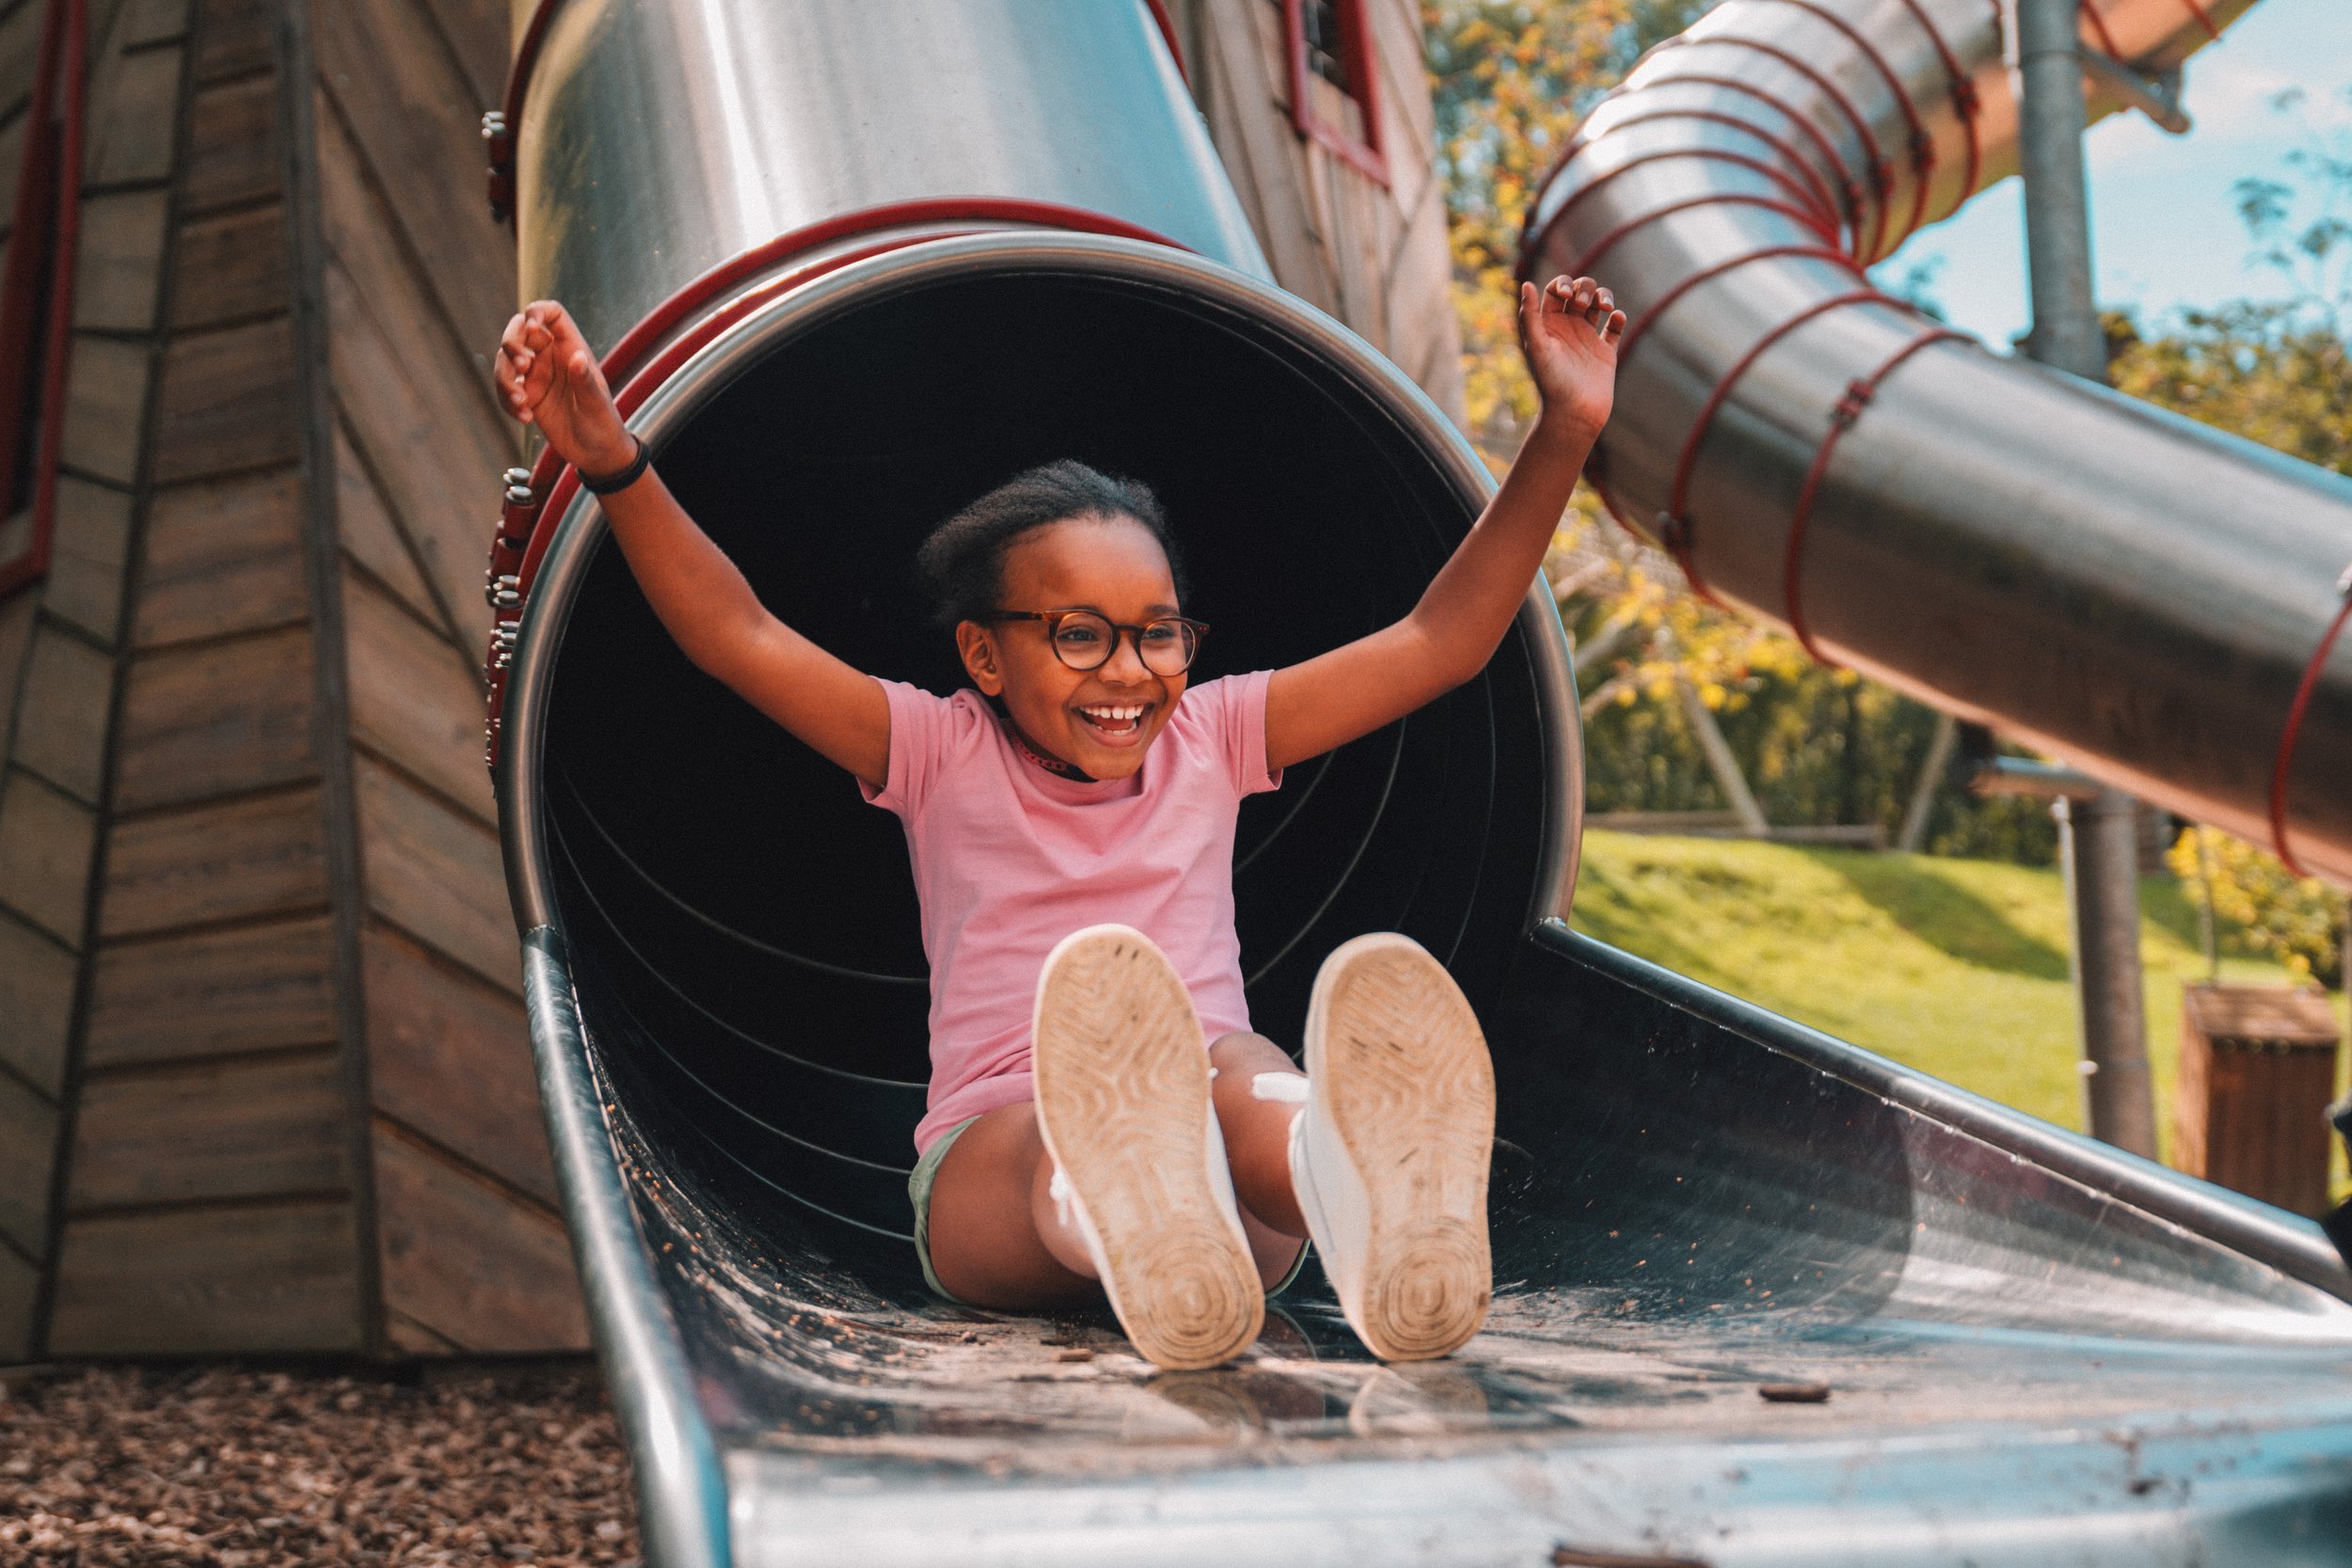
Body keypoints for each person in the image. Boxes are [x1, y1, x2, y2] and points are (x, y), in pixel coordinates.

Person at [496, 273, 1623, 1370]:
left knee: (1239, 1073)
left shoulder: (1215, 736)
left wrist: (1565, 429)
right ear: (983, 655)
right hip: (1006, 1164)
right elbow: (737, 633)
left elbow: (1441, 641)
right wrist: (612, 461)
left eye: (1159, 631)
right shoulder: (936, 749)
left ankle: (1347, 1172)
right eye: (1079, 634)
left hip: (1237, 1183)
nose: (1127, 670)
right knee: (1074, 1128)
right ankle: (1146, 1210)